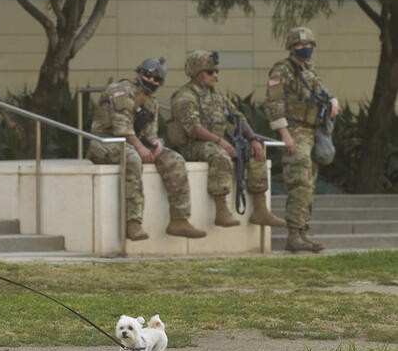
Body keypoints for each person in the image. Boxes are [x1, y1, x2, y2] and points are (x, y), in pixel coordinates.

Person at [87, 57, 206, 241]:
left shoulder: (151, 101)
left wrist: (156, 143)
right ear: (139, 73)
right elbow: (122, 128)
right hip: (106, 141)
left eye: (157, 79)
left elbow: (150, 131)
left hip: (133, 142)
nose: (152, 80)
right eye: (148, 75)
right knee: (133, 158)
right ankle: (133, 223)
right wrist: (142, 148)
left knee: (174, 160)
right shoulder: (122, 91)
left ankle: (179, 220)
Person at [170, 50, 285, 229]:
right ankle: (221, 210)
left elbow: (238, 117)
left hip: (216, 142)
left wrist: (253, 139)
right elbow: (194, 128)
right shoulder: (185, 96)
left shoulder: (216, 95)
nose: (215, 75)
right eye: (210, 72)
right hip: (194, 145)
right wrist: (220, 142)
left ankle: (260, 210)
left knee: (255, 153)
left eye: (216, 71)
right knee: (220, 155)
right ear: (196, 74)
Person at [264, 27, 340, 252]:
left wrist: (332, 101)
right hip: (295, 132)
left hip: (312, 131)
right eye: (299, 45)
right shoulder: (282, 71)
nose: (305, 48)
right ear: (291, 47)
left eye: (308, 45)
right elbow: (273, 104)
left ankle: (302, 232)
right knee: (299, 182)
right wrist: (285, 135)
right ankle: (294, 235)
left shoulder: (309, 70)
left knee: (308, 185)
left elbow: (321, 94)